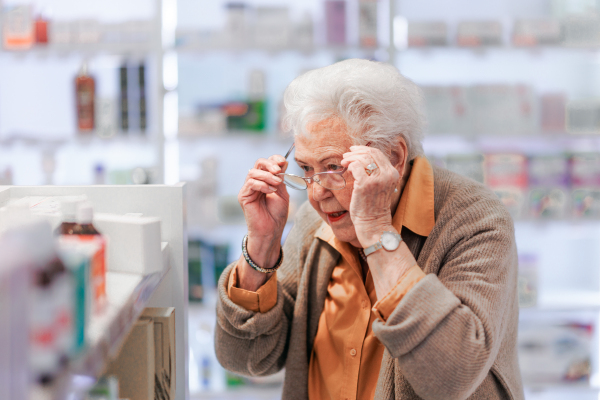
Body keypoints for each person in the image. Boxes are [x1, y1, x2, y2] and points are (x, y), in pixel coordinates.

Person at [215, 59, 524, 400]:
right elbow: (246, 359)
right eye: (305, 168)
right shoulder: (313, 222)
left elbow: (450, 378)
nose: (317, 192)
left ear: (393, 157)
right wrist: (263, 243)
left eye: (334, 167)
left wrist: (377, 231)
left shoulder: (475, 220)